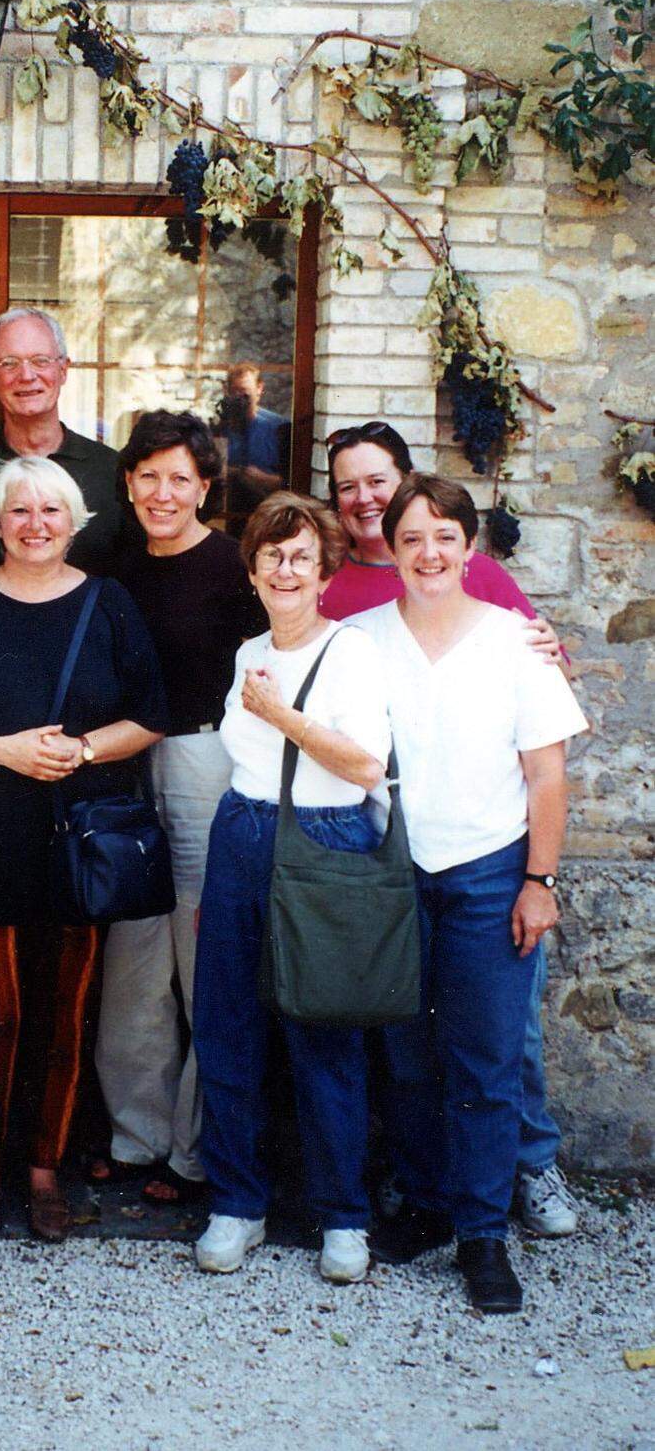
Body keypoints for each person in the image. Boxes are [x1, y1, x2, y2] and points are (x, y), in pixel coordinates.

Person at [320, 420, 579, 1240]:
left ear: (469, 548)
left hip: (488, 871)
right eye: (411, 539)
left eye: (444, 537)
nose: (428, 552)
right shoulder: (361, 639)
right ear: (391, 549)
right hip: (396, 870)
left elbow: (547, 772)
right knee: (405, 1055)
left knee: (488, 1057)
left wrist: (539, 882)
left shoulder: (513, 638)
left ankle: (483, 1233)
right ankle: (428, 1206)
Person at [0, 456, 168, 1243]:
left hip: (76, 841)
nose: (35, 525)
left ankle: (45, 1170)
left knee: (64, 1016)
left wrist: (82, 750)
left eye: (50, 511)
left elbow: (150, 714)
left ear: (75, 521)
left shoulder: (108, 602)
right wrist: (6, 752)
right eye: (19, 511)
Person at [191, 492, 391, 1279]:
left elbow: (366, 765)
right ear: (252, 571)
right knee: (228, 1023)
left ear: (325, 572)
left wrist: (282, 714)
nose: (285, 569)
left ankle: (343, 1217)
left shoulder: (350, 652)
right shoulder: (249, 652)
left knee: (324, 1028)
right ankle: (237, 1205)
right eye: (271, 555)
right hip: (243, 832)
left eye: (301, 556)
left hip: (326, 837)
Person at [95, 410, 262, 1204]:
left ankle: (196, 1153)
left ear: (204, 488)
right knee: (133, 961)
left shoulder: (234, 567)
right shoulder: (118, 568)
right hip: (128, 766)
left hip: (204, 761)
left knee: (202, 957)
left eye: (180, 479)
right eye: (149, 476)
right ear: (128, 483)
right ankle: (138, 1136)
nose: (163, 493)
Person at [0, 307, 129, 592]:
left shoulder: (111, 470)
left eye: (40, 361)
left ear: (63, 369)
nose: (27, 375)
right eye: (9, 363)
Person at [218, 363, 291, 531]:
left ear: (259, 388)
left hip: (271, 517)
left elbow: (293, 480)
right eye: (234, 391)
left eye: (244, 391)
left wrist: (265, 479)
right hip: (231, 514)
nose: (239, 397)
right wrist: (235, 472)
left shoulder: (280, 428)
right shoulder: (221, 427)